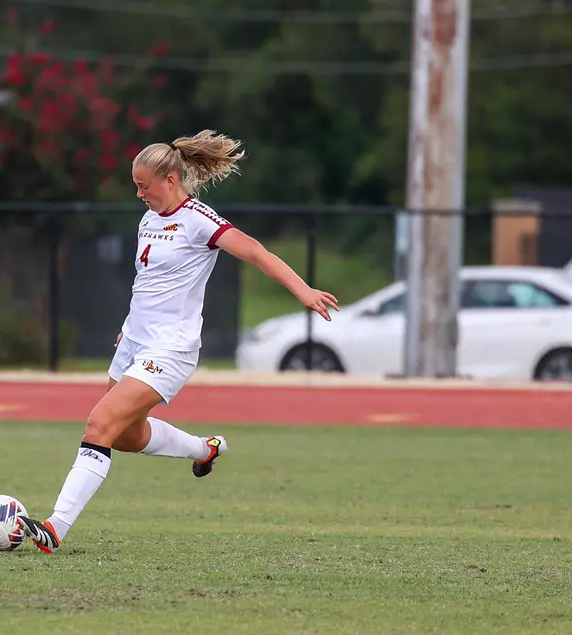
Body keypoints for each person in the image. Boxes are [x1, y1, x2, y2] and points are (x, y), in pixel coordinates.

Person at [17, 130, 339, 553]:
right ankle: (204, 450)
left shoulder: (200, 220)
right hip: (133, 341)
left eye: (143, 185)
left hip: (170, 350)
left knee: (98, 424)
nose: (139, 194)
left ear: (170, 180)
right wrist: (129, 325)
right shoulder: (148, 219)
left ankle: (56, 527)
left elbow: (257, 252)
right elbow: (150, 283)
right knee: (126, 436)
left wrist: (303, 290)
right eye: (135, 185)